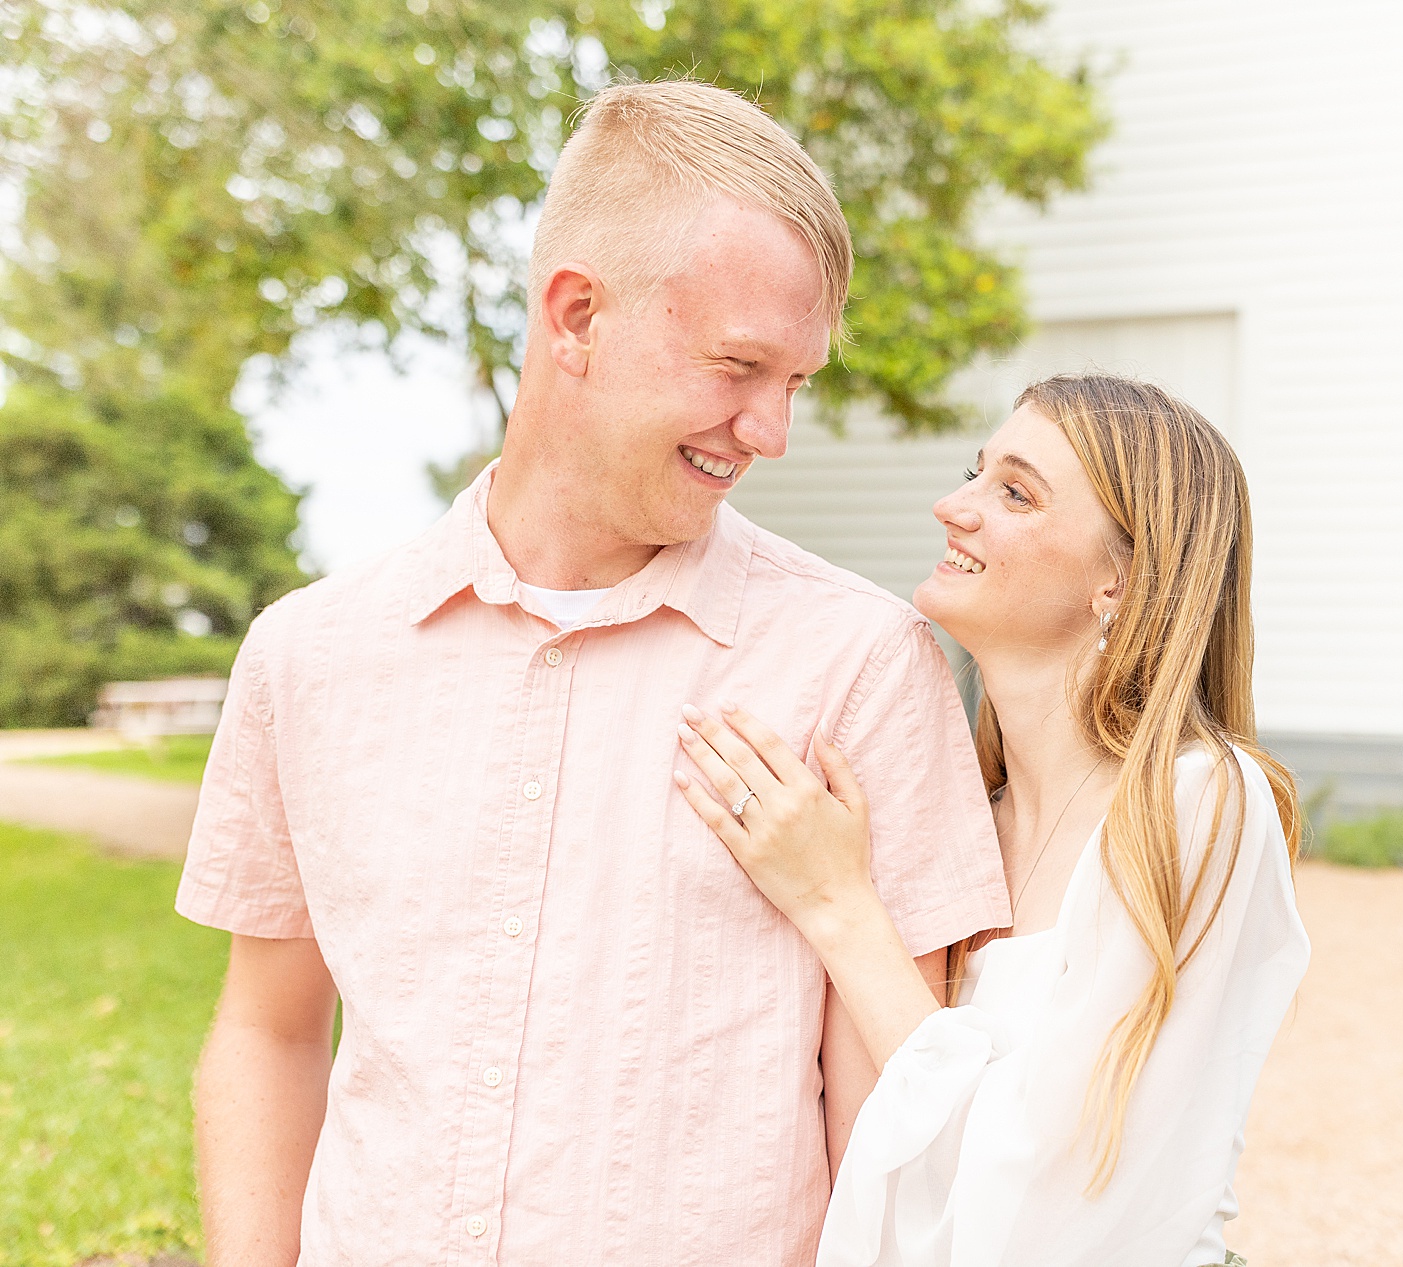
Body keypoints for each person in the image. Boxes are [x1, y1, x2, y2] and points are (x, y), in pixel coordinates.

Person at [177, 79, 1010, 1266]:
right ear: (575, 317)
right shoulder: (309, 656)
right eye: (738, 365)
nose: (770, 431)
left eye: (797, 382)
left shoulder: (857, 662)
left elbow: (883, 1122)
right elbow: (266, 1033)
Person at [675, 374, 1312, 1267]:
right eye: (975, 473)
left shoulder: (1200, 802)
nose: (952, 506)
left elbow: (1056, 1200)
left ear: (1120, 580)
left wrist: (836, 905)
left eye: (1014, 491)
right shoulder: (960, 814)